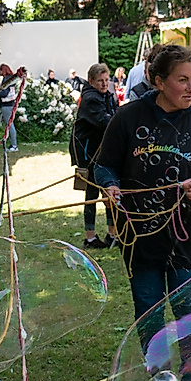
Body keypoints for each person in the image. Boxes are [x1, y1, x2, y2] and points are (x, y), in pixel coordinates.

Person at [95, 44, 191, 381]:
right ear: (158, 81)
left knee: (189, 311)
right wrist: (110, 185)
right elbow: (103, 166)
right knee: (149, 310)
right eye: (182, 80)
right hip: (140, 237)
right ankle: (160, 378)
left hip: (189, 235)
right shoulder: (127, 118)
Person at [71, 63, 119, 249]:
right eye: (100, 81)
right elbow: (105, 122)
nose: (104, 83)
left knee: (109, 190)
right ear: (91, 81)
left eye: (106, 80)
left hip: (102, 151)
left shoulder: (106, 95)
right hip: (89, 152)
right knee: (91, 193)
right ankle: (90, 237)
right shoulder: (91, 99)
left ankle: (112, 233)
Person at [0, 63, 19, 152]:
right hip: (12, 104)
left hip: (6, 104)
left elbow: (4, 93)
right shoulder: (12, 79)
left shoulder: (6, 80)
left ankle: (14, 145)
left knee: (10, 125)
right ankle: (13, 144)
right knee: (11, 124)